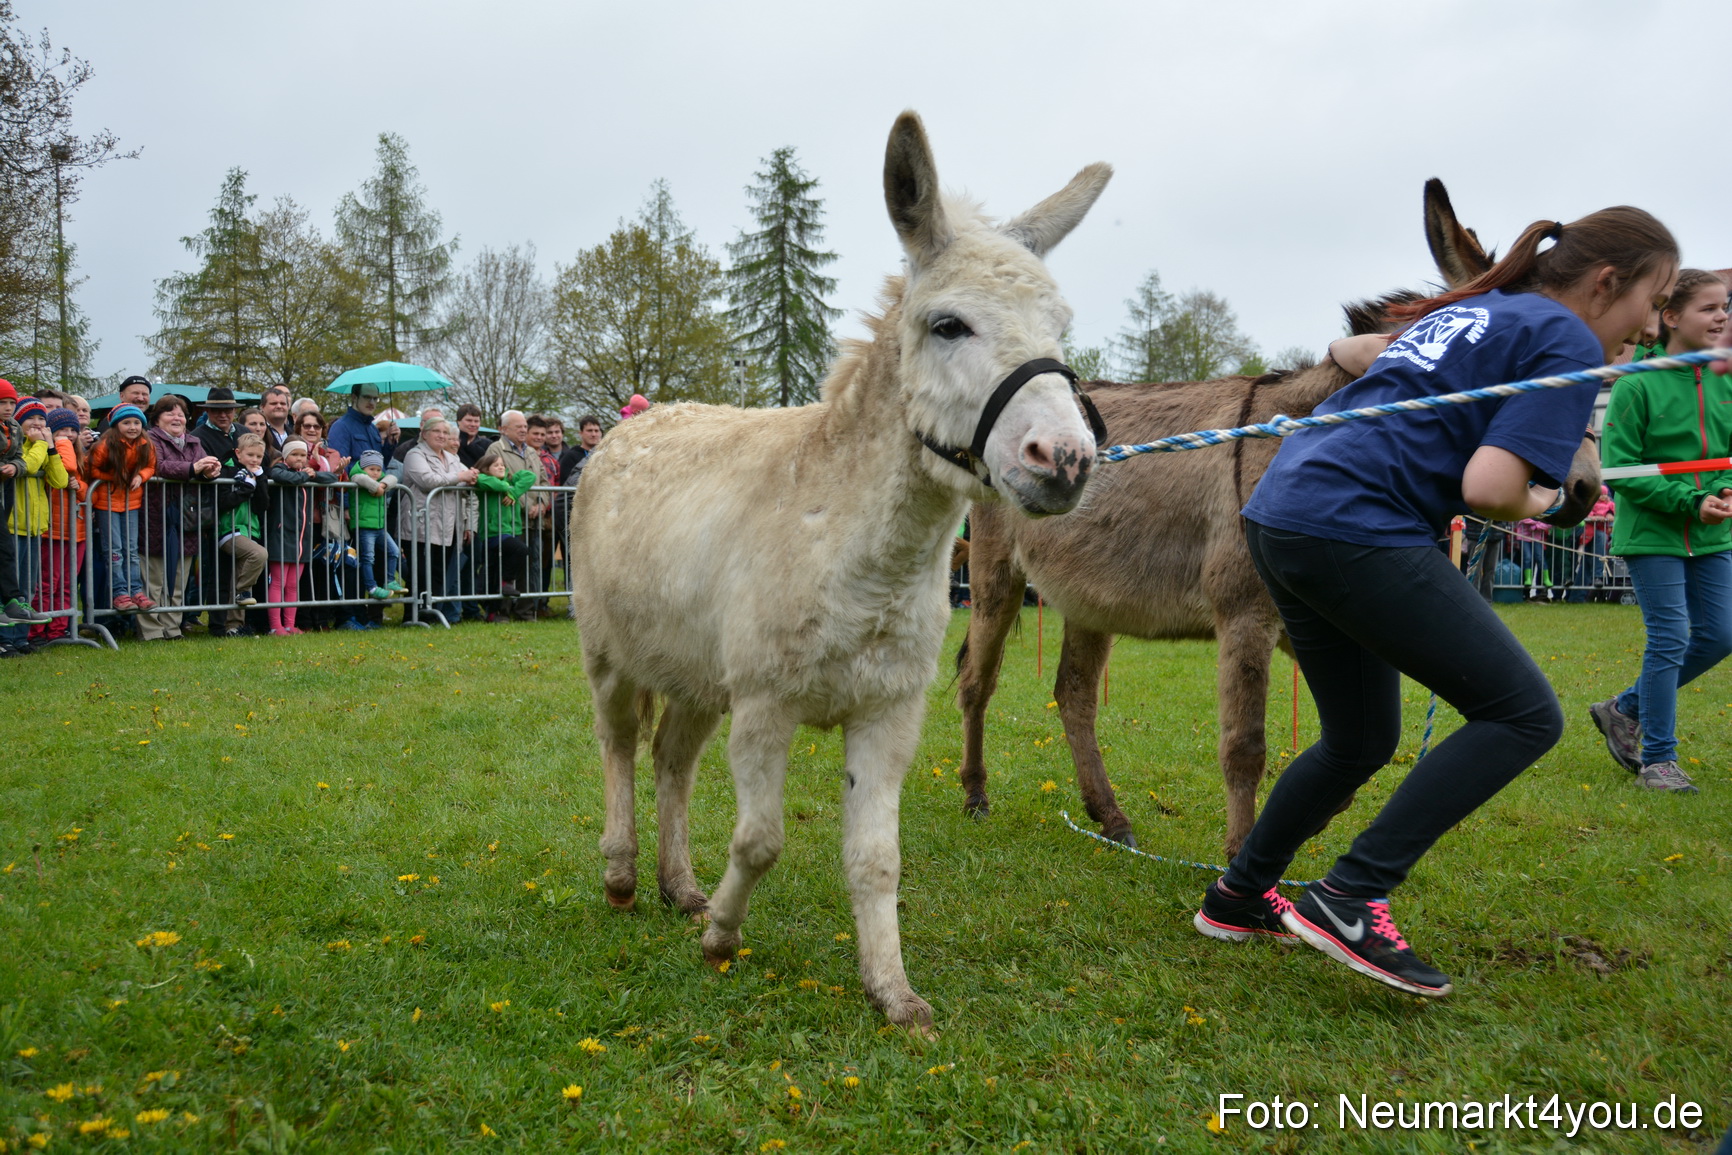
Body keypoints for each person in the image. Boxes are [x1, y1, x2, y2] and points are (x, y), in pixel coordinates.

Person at [1191, 206, 1679, 999]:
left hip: (1281, 512)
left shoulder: (1478, 312)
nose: (1652, 326)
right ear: (1606, 282)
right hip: (1353, 523)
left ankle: (1240, 896)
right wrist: (1551, 498)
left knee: (1359, 739)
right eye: (1653, 301)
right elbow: (1490, 491)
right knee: (1523, 713)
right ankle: (1351, 896)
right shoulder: (1566, 343)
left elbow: (1347, 350)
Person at [1589, 269, 1732, 793]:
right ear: (1670, 317)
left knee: (1720, 636)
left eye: (1726, 307)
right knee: (1670, 639)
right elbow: (1621, 471)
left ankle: (1622, 707)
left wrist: (1724, 492)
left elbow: (1727, 456)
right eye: (1710, 308)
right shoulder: (1634, 385)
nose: (1722, 316)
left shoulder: (1727, 378)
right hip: (1652, 535)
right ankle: (1658, 761)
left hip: (1713, 534)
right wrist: (1693, 501)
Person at [137, 395, 222, 642]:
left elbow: (202, 469)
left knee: (178, 579)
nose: (177, 418)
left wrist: (210, 472)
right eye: (170, 413)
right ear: (157, 418)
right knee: (153, 578)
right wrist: (193, 469)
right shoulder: (149, 438)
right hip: (155, 514)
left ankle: (172, 628)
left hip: (186, 518)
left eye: (181, 414)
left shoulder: (194, 442)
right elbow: (157, 466)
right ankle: (151, 630)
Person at [2, 398, 68, 654]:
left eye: (42, 419)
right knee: (9, 588)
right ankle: (4, 638)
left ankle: (20, 638)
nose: (39, 423)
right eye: (32, 418)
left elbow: (60, 480)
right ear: (18, 421)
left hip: (33, 527)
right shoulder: (16, 448)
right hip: (11, 524)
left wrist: (51, 449)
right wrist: (42, 443)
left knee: (27, 587)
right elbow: (26, 465)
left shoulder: (41, 447)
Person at [83, 402, 157, 613]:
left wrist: (141, 476)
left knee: (131, 550)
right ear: (116, 425)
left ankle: (136, 591)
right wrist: (115, 478)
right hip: (107, 503)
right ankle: (119, 592)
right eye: (127, 423)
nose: (132, 427)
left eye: (136, 423)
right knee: (114, 551)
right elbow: (91, 469)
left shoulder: (145, 444)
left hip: (131, 503)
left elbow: (151, 466)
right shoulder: (105, 445)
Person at [400, 418, 476, 620]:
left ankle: (430, 614)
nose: (442, 436)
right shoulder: (415, 454)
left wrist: (471, 477)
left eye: (445, 432)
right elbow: (428, 481)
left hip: (448, 526)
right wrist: (461, 477)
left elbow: (462, 479)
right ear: (424, 433)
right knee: (419, 574)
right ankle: (413, 616)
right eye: (437, 431)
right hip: (420, 524)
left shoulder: (451, 458)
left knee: (439, 573)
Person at [263, 439, 336, 635]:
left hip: (302, 539)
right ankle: (275, 625)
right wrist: (305, 475)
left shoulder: (306, 473)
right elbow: (279, 476)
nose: (299, 458)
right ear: (286, 456)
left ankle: (289, 624)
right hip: (281, 535)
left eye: (303, 455)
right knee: (278, 582)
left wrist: (315, 473)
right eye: (294, 454)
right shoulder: (279, 469)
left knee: (293, 584)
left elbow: (332, 478)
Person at [31, 408, 89, 644]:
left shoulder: (82, 456)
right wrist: (60, 442)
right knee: (47, 583)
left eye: (73, 430)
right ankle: (36, 630)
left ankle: (58, 629)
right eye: (62, 429)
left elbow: (88, 490)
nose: (69, 434)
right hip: (52, 530)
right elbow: (67, 468)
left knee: (67, 584)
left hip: (77, 531)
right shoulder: (52, 453)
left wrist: (79, 487)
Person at [490, 411, 548, 620]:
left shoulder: (532, 452)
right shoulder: (496, 449)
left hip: (535, 520)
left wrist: (541, 503)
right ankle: (502, 610)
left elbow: (543, 480)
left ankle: (524, 610)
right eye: (518, 427)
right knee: (509, 567)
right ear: (504, 429)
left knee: (532, 565)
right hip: (510, 520)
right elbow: (504, 481)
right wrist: (526, 505)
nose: (524, 430)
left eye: (525, 426)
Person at [212, 433, 269, 637]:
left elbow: (263, 505)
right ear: (238, 453)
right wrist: (245, 488)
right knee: (259, 555)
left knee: (237, 576)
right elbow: (224, 501)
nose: (254, 460)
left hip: (249, 530)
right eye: (250, 455)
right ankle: (243, 591)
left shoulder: (258, 474)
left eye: (259, 456)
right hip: (229, 530)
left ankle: (233, 626)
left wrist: (260, 481)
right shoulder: (227, 470)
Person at [472, 446, 534, 619]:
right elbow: (486, 481)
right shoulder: (486, 482)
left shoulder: (509, 484)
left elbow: (530, 476)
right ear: (485, 469)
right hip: (492, 534)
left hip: (509, 531)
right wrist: (506, 485)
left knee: (493, 573)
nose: (501, 467)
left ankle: (492, 612)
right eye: (495, 465)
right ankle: (505, 583)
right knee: (520, 550)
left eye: (502, 465)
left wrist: (513, 492)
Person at [349, 449, 406, 603]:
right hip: (364, 526)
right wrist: (377, 488)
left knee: (394, 552)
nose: (375, 473)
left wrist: (382, 484)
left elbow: (393, 478)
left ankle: (389, 581)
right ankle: (372, 588)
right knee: (368, 558)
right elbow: (361, 478)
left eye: (378, 470)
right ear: (363, 467)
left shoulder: (382, 479)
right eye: (371, 469)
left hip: (380, 527)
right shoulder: (357, 476)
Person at [260, 385, 293, 452]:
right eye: (274, 403)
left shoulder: (295, 434)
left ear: (288, 407)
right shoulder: (257, 431)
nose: (279, 406)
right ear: (262, 407)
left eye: (283, 403)